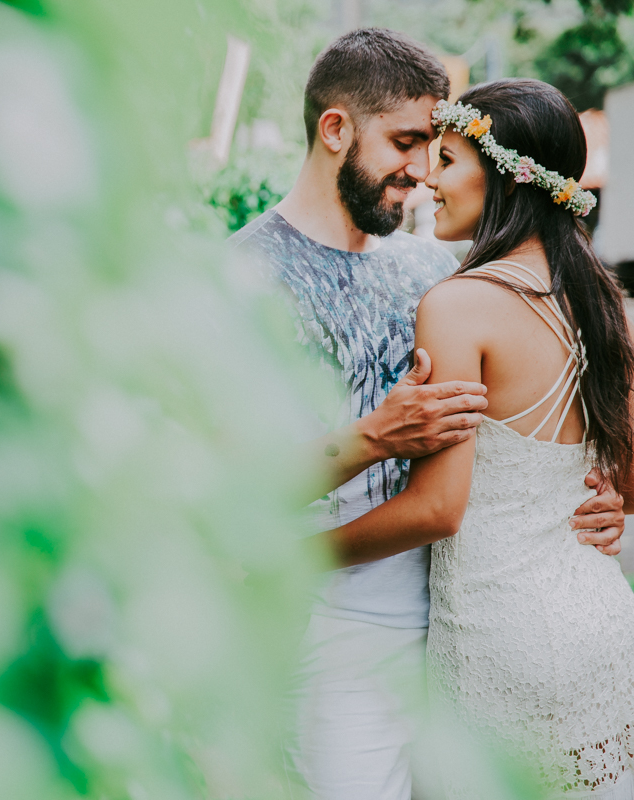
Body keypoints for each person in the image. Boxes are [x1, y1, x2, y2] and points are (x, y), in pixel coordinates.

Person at [228, 30, 626, 799]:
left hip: (469, 626)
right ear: (335, 129)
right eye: (409, 143)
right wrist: (372, 440)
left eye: (437, 152)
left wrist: (602, 491)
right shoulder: (242, 277)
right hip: (349, 636)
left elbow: (502, 453)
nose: (421, 173)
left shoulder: (434, 270)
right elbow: (232, 486)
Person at [335, 78, 634, 796]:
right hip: (602, 620)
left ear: (504, 175)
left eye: (447, 161)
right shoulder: (603, 299)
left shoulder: (460, 304)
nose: (427, 182)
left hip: (501, 640)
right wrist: (614, 503)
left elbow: (439, 509)